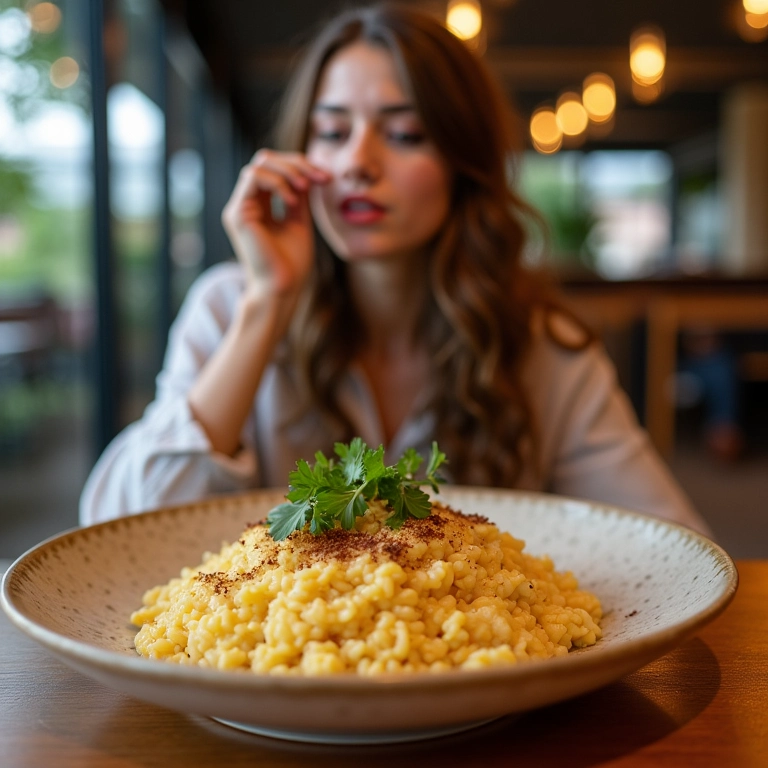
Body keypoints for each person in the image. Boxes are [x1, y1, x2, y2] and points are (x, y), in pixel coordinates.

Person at [79, 2, 710, 535]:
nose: (358, 161)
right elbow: (119, 529)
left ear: (466, 167)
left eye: (404, 134)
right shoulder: (229, 307)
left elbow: (672, 550)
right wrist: (268, 301)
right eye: (331, 132)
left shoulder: (540, 343)